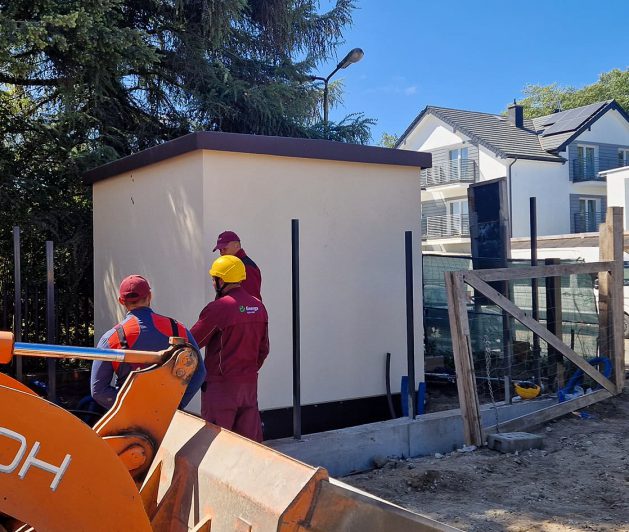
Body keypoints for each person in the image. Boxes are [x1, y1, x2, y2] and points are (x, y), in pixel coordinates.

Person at [90, 274, 206, 410]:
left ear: (121, 301)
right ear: (149, 296)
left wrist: (132, 406)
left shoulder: (111, 338)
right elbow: (200, 373)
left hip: (129, 417)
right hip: (168, 415)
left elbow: (98, 391)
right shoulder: (178, 329)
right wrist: (176, 404)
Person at [191, 255, 269, 442]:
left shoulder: (219, 308)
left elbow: (192, 342)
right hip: (249, 386)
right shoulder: (258, 307)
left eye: (214, 279)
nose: (213, 283)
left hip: (221, 388)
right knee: (249, 447)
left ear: (221, 280)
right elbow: (264, 349)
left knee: (216, 445)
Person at [212, 230, 262, 300]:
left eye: (224, 248)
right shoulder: (233, 265)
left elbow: (250, 300)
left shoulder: (247, 267)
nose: (221, 253)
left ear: (237, 245)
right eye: (220, 250)